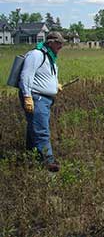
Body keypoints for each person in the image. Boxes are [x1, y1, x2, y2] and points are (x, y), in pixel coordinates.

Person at [19, 31, 66, 172]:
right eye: (58, 43)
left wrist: (55, 85)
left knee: (33, 129)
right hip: (36, 97)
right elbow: (26, 75)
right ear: (50, 42)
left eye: (62, 43)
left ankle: (30, 157)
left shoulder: (50, 57)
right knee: (41, 130)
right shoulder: (36, 55)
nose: (61, 46)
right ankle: (49, 162)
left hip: (45, 99)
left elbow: (47, 75)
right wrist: (27, 96)